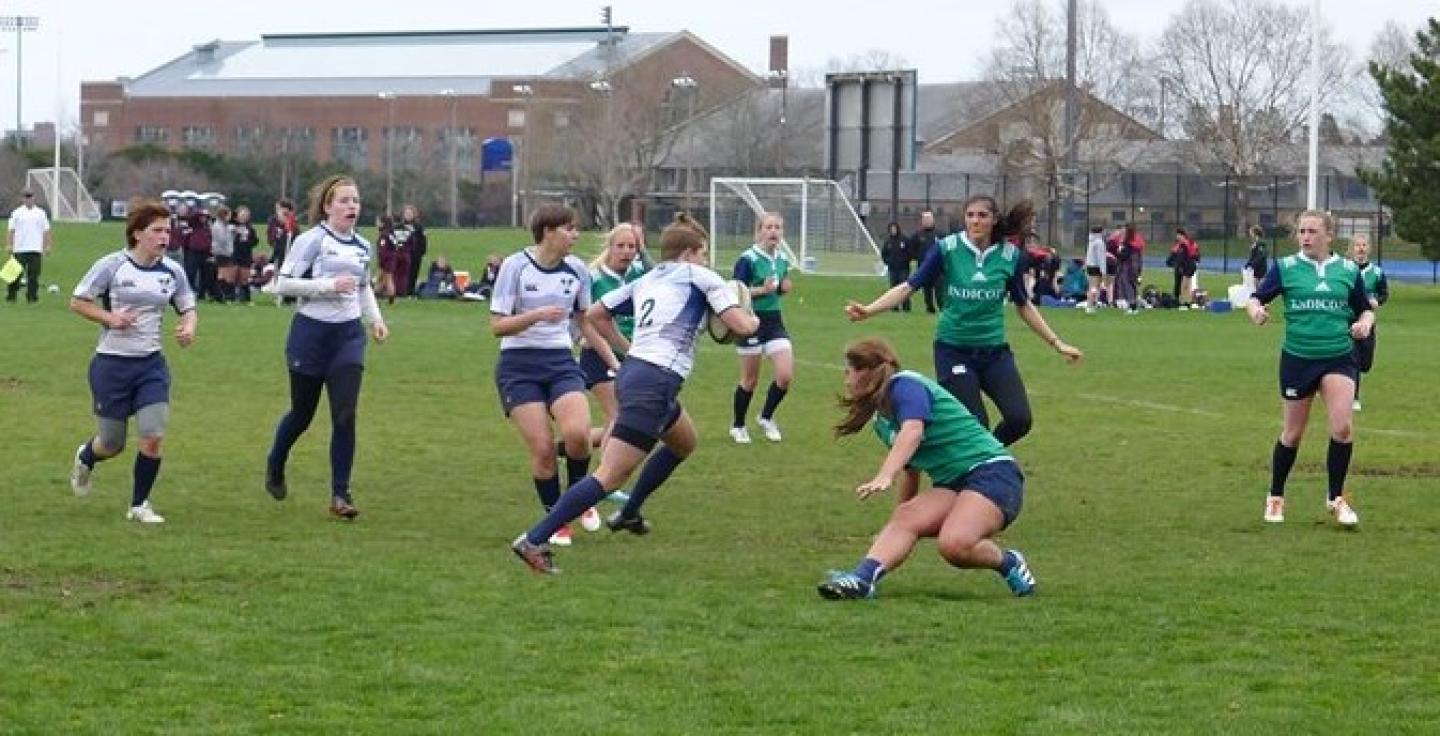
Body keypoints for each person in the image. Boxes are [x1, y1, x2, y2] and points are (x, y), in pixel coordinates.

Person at [511, 213, 758, 574]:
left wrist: (630, 348)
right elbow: (739, 326)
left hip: (636, 374)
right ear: (690, 253)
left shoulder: (648, 278)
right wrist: (751, 319)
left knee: (684, 442)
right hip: (655, 382)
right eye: (703, 254)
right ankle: (534, 540)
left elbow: (596, 314)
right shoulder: (700, 276)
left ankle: (629, 513)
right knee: (609, 475)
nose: (706, 261)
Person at [846, 195, 1082, 447]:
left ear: (994, 220)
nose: (975, 221)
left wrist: (1057, 343)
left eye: (982, 215)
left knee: (1019, 419)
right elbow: (908, 287)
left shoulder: (1011, 256)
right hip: (954, 351)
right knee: (976, 423)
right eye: (970, 215)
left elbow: (1023, 305)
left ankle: (979, 458)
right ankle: (980, 464)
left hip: (994, 354)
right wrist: (869, 310)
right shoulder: (947, 249)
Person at [815, 338, 1035, 600]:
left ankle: (1009, 562)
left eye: (848, 371)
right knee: (907, 516)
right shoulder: (881, 421)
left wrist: (885, 475)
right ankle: (862, 580)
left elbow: (913, 431)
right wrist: (899, 522)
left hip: (993, 473)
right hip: (954, 484)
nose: (845, 379)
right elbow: (911, 469)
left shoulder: (906, 386)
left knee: (954, 545)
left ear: (867, 372)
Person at [264, 175, 390, 520]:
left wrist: (374, 319)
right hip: (310, 334)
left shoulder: (363, 246)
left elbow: (363, 287)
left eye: (356, 201)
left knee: (345, 414)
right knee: (302, 414)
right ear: (328, 206)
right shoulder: (311, 241)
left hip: (348, 337)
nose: (353, 206)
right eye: (345, 200)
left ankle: (340, 494)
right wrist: (328, 285)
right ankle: (276, 460)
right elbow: (281, 284)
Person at [67, 200, 198, 523]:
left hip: (151, 365)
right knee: (112, 444)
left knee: (152, 435)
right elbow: (78, 301)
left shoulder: (173, 270)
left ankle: (139, 505)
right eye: (157, 231)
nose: (165, 237)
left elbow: (188, 307)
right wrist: (109, 317)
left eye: (168, 230)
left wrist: (188, 327)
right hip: (111, 365)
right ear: (137, 233)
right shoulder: (112, 265)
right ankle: (85, 457)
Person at [491, 203, 612, 546]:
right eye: (569, 229)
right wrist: (537, 315)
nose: (576, 235)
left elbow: (585, 322)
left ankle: (577, 497)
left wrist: (614, 360)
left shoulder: (576, 271)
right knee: (544, 451)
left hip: (560, 362)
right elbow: (497, 326)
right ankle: (555, 519)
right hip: (518, 366)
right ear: (548, 232)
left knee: (577, 435)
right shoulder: (515, 266)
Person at [1247, 210, 1373, 528]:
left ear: (1328, 235)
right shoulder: (1286, 268)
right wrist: (1256, 311)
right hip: (1298, 358)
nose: (1305, 236)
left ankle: (1336, 498)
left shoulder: (1346, 270)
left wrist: (1363, 324)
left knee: (1343, 428)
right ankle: (1275, 496)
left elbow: (1365, 310)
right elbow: (1256, 297)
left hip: (1339, 357)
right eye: (1301, 230)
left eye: (1312, 231)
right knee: (1292, 434)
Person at [729, 212, 796, 444]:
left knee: (785, 376)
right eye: (768, 227)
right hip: (748, 321)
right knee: (750, 379)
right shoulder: (747, 259)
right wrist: (761, 291)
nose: (773, 231)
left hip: (774, 321)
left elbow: (779, 285)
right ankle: (738, 425)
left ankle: (766, 417)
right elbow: (735, 292)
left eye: (778, 227)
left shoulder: (783, 259)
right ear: (759, 231)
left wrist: (783, 288)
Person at [581, 224, 646, 450]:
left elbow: (663, 273)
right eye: (621, 246)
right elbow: (583, 319)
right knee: (618, 419)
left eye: (632, 246)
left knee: (628, 423)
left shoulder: (640, 273)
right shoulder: (593, 277)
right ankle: (603, 481)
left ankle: (571, 445)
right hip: (598, 354)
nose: (627, 251)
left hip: (632, 354)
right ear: (609, 248)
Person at [1349, 234, 1388, 412]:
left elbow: (1384, 293)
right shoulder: (1345, 269)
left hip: (1368, 321)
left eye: (1364, 245)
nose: (1361, 248)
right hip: (1348, 320)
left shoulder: (1377, 272)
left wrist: (1377, 301)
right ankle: (1353, 397)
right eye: (1357, 245)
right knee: (1354, 360)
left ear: (1369, 248)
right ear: (1352, 248)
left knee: (1365, 363)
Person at [5, 190, 52, 303]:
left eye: (30, 197)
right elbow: (11, 230)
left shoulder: (41, 213)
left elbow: (46, 231)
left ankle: (32, 298)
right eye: (26, 197)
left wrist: (48, 245)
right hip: (19, 249)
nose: (28, 199)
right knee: (14, 275)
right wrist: (9, 244)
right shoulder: (17, 213)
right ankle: (11, 296)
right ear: (22, 199)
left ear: (34, 198)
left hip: (35, 249)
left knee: (33, 276)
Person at [907, 210, 942, 313]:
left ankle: (942, 307)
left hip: (939, 269)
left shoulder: (940, 234)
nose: (927, 221)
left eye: (929, 219)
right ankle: (930, 308)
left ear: (933, 220)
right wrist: (918, 257)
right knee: (927, 291)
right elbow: (911, 249)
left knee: (939, 290)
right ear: (922, 221)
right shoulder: (917, 235)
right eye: (925, 219)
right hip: (924, 268)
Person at [879, 222, 912, 312]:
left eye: (894, 228)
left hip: (903, 269)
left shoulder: (904, 239)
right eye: (891, 229)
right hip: (892, 269)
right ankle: (894, 307)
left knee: (904, 288)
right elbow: (884, 254)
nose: (893, 230)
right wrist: (888, 262)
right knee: (893, 288)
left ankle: (906, 307)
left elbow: (910, 252)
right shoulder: (888, 241)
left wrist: (905, 261)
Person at [397, 204, 427, 297]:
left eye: (410, 213)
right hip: (403, 253)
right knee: (402, 273)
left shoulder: (419, 227)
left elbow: (423, 240)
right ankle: (402, 290)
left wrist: (422, 252)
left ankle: (411, 290)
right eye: (406, 213)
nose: (408, 215)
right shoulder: (399, 226)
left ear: (414, 214)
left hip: (416, 254)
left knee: (414, 272)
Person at [230, 206, 259, 304]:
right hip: (234, 254)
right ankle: (230, 297)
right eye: (242, 215)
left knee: (245, 278)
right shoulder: (232, 226)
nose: (243, 217)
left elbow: (255, 240)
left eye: (246, 215)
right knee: (233, 276)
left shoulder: (250, 228)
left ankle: (245, 298)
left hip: (246, 255)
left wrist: (248, 241)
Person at [375, 215, 403, 305]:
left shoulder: (384, 235)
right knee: (383, 279)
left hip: (387, 260)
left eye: (378, 221)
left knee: (387, 279)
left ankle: (389, 299)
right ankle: (377, 297)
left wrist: (381, 260)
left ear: (383, 223)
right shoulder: (392, 233)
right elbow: (397, 245)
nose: (376, 223)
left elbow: (383, 249)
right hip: (393, 258)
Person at [1169, 227, 1200, 307]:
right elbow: (1197, 254)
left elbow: (1181, 257)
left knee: (1184, 286)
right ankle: (1188, 302)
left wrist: (1178, 265)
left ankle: (1183, 303)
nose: (1177, 237)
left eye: (1178, 235)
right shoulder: (1191, 243)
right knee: (1188, 285)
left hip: (1187, 265)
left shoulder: (1183, 244)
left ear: (1181, 235)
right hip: (1192, 264)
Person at [210, 206, 235, 303]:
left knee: (224, 275)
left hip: (225, 253)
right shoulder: (218, 226)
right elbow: (222, 240)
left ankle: (221, 296)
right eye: (228, 215)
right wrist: (230, 232)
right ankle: (220, 296)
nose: (230, 217)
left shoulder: (224, 225)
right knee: (223, 275)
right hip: (221, 253)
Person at [1083, 225, 1106, 313]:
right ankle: (1090, 305)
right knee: (1094, 287)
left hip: (1090, 266)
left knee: (1092, 286)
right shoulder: (1099, 242)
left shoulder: (1091, 241)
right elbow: (1101, 258)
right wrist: (1103, 270)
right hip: (1096, 267)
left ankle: (1093, 304)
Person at [1243, 225, 1269, 290]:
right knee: (1254, 288)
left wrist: (1252, 265)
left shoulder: (1261, 243)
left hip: (1260, 269)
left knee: (1258, 289)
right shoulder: (1255, 243)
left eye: (1251, 233)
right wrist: (1247, 265)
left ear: (1255, 233)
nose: (1250, 234)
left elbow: (1261, 256)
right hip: (1255, 269)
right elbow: (1252, 257)